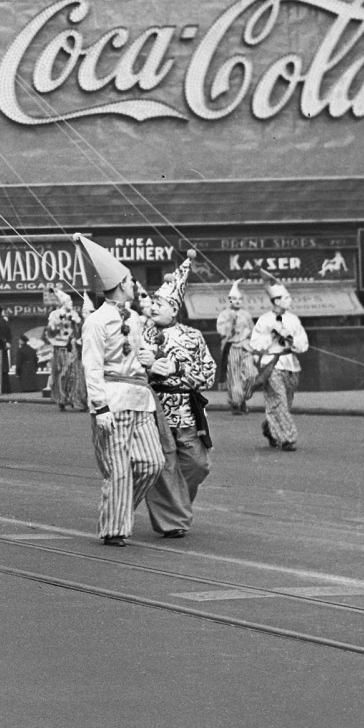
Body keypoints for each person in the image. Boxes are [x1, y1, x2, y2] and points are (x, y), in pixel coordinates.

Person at [77, 234, 165, 547]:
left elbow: (145, 356)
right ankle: (114, 528)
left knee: (152, 463)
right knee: (119, 470)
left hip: (141, 401)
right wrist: (99, 407)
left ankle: (120, 510)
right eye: (130, 280)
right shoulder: (96, 322)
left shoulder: (138, 319)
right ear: (121, 283)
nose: (135, 285)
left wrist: (150, 359)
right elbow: (92, 366)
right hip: (112, 403)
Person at [144, 261, 217, 539]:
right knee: (161, 467)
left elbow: (209, 374)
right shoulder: (141, 333)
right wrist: (148, 368)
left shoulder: (193, 337)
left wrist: (178, 369)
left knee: (198, 465)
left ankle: (176, 505)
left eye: (159, 303)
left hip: (187, 410)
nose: (152, 307)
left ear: (174, 308)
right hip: (154, 410)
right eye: (152, 302)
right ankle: (172, 522)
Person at [250, 282, 309, 452]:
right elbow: (256, 343)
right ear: (276, 301)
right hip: (272, 366)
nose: (290, 300)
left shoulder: (293, 319)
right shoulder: (264, 320)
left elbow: (303, 344)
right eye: (286, 297)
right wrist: (272, 335)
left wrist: (290, 339)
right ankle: (288, 439)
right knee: (279, 401)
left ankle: (270, 428)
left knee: (285, 403)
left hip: (291, 365)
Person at [214, 280, 256, 414]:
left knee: (251, 374)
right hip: (231, 347)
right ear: (230, 300)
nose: (237, 301)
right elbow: (222, 332)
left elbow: (252, 330)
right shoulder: (224, 315)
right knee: (234, 376)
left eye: (239, 299)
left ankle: (242, 398)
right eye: (234, 299)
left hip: (245, 346)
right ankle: (237, 403)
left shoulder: (246, 315)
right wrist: (230, 322)